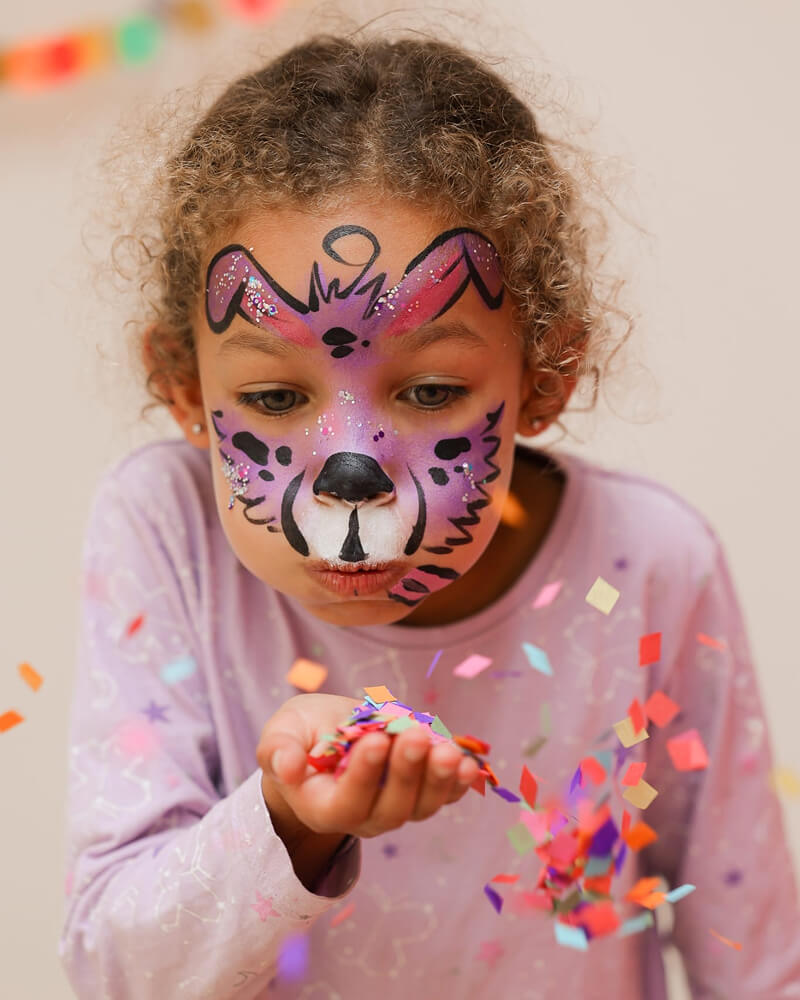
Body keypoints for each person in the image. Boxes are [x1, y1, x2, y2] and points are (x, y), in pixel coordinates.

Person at [58, 31, 800, 1000]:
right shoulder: (165, 528)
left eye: (432, 388)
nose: (349, 475)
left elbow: (755, 962)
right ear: (181, 386)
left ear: (543, 376)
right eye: (277, 400)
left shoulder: (653, 563)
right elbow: (118, 972)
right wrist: (289, 822)